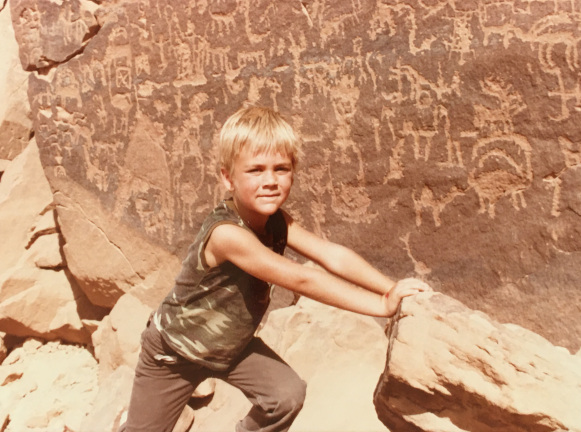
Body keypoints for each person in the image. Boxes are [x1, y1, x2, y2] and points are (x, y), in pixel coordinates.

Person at [119, 106, 432, 432]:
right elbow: (301, 277)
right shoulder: (227, 235)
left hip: (231, 347)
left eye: (280, 169)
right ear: (228, 177)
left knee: (285, 395)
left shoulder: (276, 222)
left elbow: (331, 255)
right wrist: (381, 306)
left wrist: (390, 288)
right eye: (255, 170)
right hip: (174, 354)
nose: (270, 181)